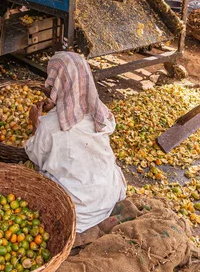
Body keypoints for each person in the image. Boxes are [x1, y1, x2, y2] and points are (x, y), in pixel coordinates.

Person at [25, 51, 126, 233]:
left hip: (78, 211)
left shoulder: (49, 126)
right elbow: (76, 114)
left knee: (38, 177)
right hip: (106, 196)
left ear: (56, 83)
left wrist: (35, 122)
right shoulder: (100, 113)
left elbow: (35, 155)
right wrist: (57, 105)